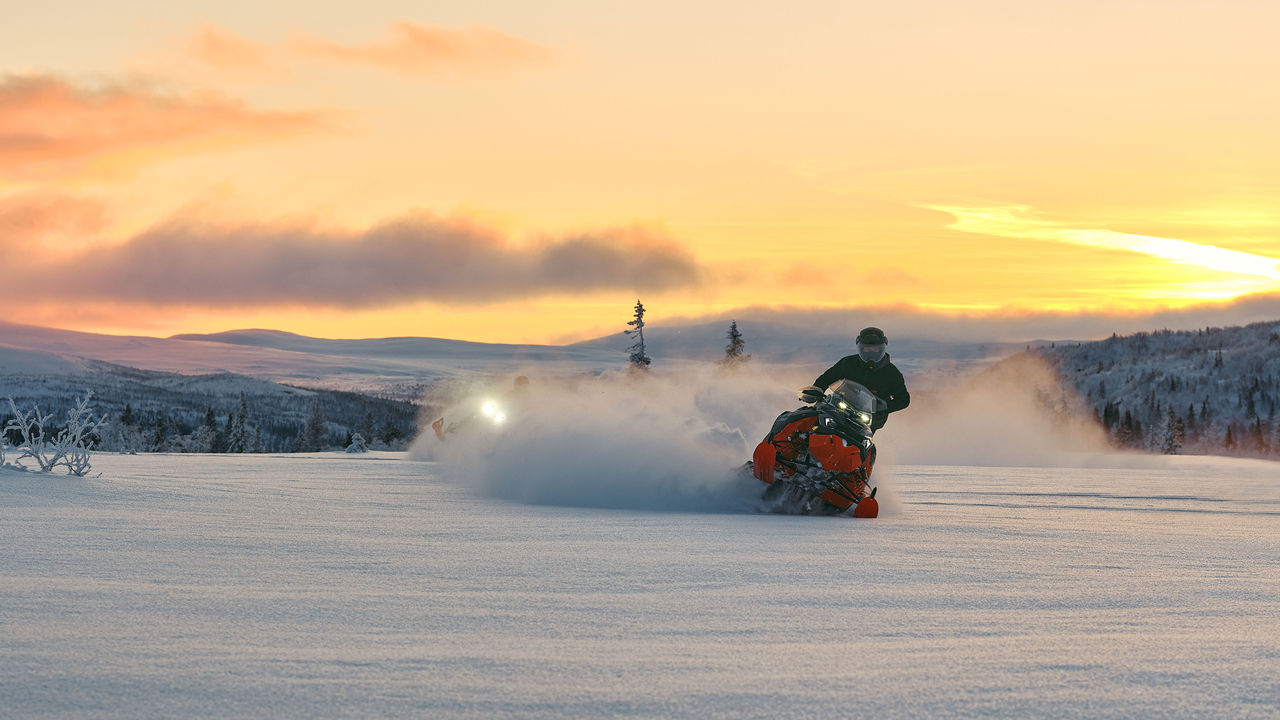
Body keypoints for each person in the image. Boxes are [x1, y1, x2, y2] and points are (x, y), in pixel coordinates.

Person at [810, 326, 909, 431]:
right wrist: (816, 390)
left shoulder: (892, 373)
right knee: (810, 421)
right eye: (867, 348)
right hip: (840, 408)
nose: (870, 351)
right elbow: (827, 377)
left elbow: (903, 400)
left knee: (858, 445)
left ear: (881, 348)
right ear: (861, 348)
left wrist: (882, 407)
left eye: (874, 348)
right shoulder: (848, 363)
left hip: (868, 420)